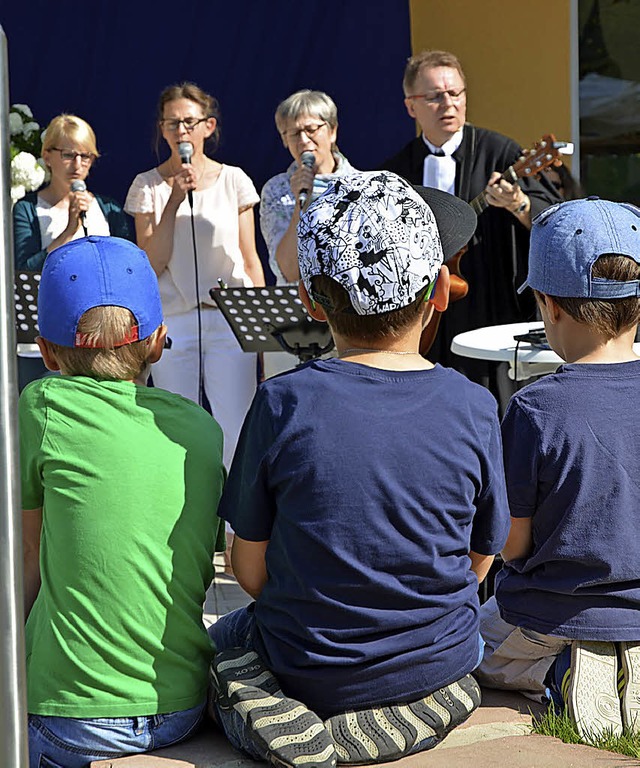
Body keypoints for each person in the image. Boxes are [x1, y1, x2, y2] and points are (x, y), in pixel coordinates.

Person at [207, 171, 511, 767]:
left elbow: (247, 569)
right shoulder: (476, 405)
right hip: (434, 651)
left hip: (308, 659)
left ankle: (286, 718)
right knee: (466, 647)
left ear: (308, 299)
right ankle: (422, 704)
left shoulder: (282, 401)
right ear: (441, 293)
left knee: (219, 647)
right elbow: (481, 560)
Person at [21, 235, 226, 767]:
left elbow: (23, 567)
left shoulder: (43, 405)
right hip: (182, 705)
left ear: (44, 351)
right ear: (158, 341)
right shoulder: (202, 430)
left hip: (73, 717)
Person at [475, 198, 640, 743]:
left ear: (548, 308)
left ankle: (562, 674)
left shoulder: (534, 408)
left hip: (548, 617)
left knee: (466, 653)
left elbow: (513, 545)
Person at [382, 50, 559, 398]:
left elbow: (554, 219)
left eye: (456, 93)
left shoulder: (501, 152)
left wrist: (518, 204)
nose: (448, 103)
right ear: (411, 107)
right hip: (424, 311)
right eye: (434, 96)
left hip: (489, 303)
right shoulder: (397, 170)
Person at [125, 82, 265, 469]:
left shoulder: (233, 180)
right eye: (172, 124)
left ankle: (240, 527)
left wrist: (262, 329)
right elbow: (151, 262)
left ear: (208, 126)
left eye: (189, 122)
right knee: (177, 425)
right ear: (162, 130)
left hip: (229, 317)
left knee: (237, 425)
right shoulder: (147, 186)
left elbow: (250, 258)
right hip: (175, 320)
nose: (181, 132)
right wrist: (173, 199)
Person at [12, 113, 133, 390]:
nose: (77, 165)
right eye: (68, 154)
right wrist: (68, 231)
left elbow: (126, 264)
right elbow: (24, 271)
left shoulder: (107, 209)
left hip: (101, 338)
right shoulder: (29, 209)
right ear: (47, 155)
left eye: (86, 156)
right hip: (43, 343)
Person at [260, 89, 356, 284]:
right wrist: (300, 205)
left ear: (332, 131)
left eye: (311, 130)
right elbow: (289, 271)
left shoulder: (359, 185)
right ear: (285, 140)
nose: (304, 140)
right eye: (294, 133)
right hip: (299, 307)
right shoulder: (276, 190)